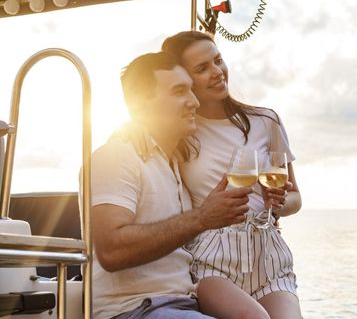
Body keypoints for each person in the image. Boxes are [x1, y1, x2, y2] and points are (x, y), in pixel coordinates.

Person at [124, 31, 303, 318]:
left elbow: (296, 199)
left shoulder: (265, 121)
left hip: (267, 255)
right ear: (186, 78)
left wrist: (280, 203)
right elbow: (144, 124)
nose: (217, 72)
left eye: (218, 60)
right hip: (212, 259)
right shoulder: (182, 132)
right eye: (202, 68)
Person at [90, 51, 253, 319]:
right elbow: (111, 250)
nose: (194, 102)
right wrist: (202, 218)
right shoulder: (117, 155)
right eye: (179, 91)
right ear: (141, 106)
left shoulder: (175, 164)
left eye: (191, 90)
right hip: (136, 309)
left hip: (183, 304)